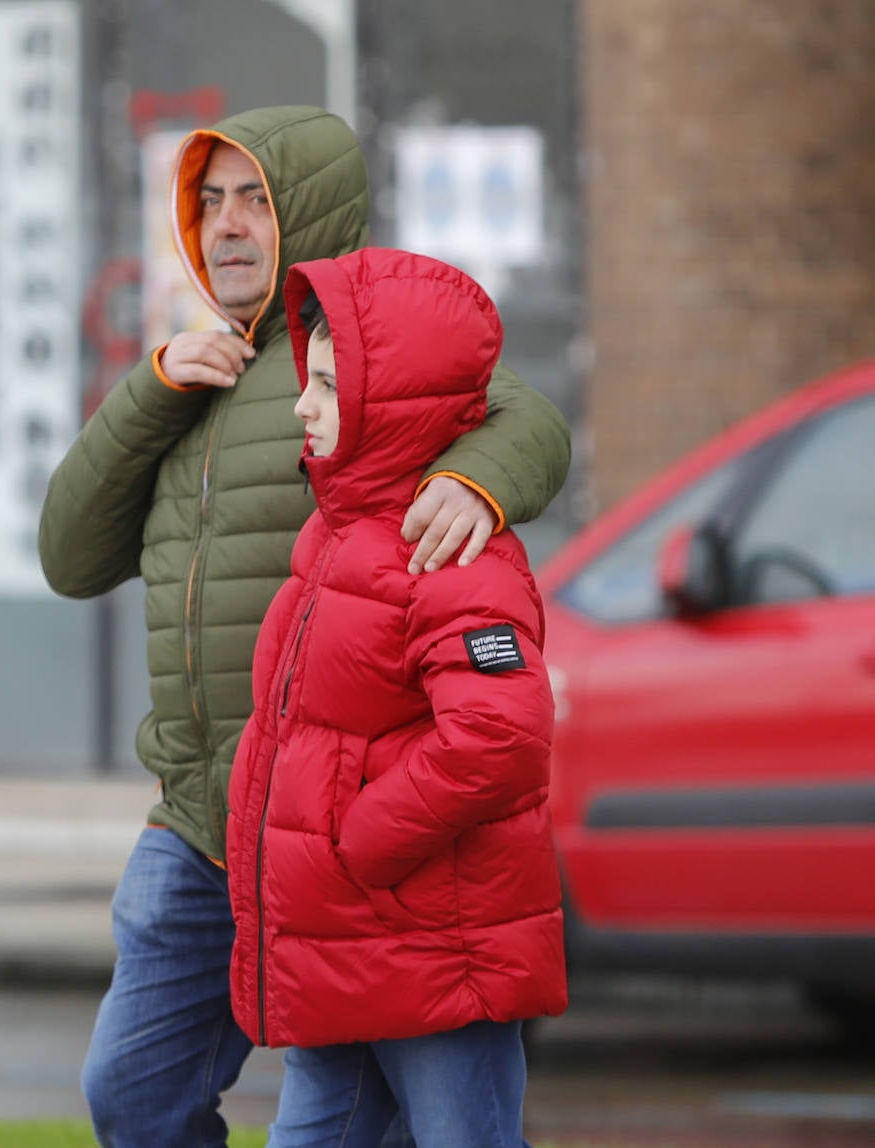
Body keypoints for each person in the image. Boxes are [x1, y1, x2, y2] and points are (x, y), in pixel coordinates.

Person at [39, 105, 570, 1148]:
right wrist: (146, 391)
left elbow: (527, 418)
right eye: (207, 200)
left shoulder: (362, 354)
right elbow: (70, 556)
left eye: (253, 198)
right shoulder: (187, 378)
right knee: (132, 1091)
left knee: (372, 1113)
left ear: (309, 208)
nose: (225, 224)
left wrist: (472, 478)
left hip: (328, 819)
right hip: (200, 819)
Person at [227, 248, 566, 1147]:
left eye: (330, 386)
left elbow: (500, 736)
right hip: (343, 941)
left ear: (391, 403)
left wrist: (360, 845)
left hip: (431, 950)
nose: (303, 405)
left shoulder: (450, 551)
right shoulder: (335, 535)